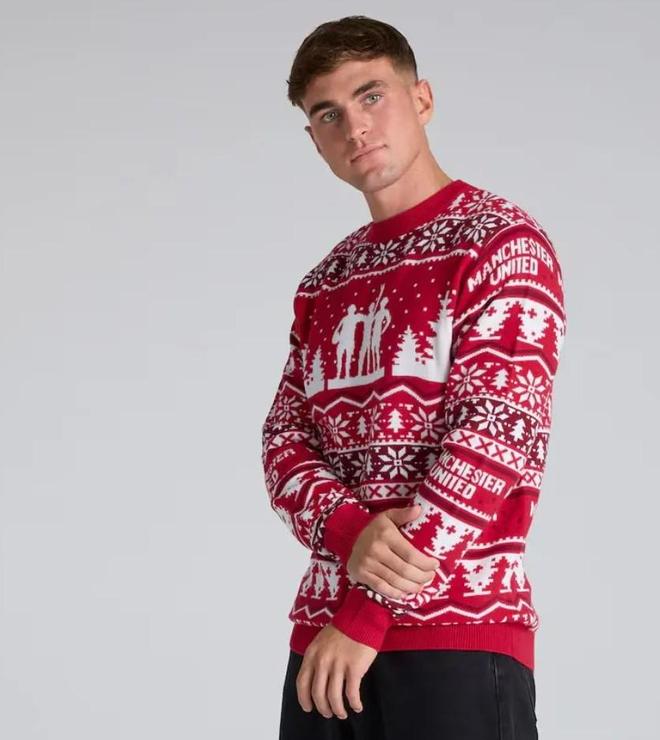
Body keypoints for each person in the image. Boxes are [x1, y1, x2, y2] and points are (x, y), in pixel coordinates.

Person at [261, 15, 567, 739]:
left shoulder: (500, 244)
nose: (355, 127)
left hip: (454, 639)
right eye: (328, 114)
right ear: (313, 139)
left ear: (422, 98)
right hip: (324, 647)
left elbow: (492, 443)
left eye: (371, 96)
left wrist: (367, 612)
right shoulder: (326, 280)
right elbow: (283, 442)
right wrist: (349, 532)